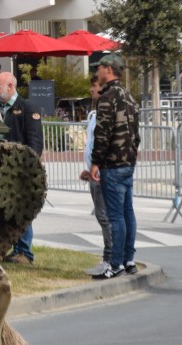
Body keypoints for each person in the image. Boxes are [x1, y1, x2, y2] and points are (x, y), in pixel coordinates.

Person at [90, 54, 140, 280]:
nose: (97, 72)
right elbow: (136, 134)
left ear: (108, 69)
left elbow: (102, 134)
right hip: (128, 163)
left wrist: (95, 162)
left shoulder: (107, 98)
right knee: (128, 212)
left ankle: (116, 263)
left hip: (112, 164)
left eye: (99, 68)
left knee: (115, 216)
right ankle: (129, 260)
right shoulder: (129, 97)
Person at [0, 72, 43, 264]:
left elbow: (35, 142)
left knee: (21, 209)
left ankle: (24, 252)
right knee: (3, 210)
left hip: (18, 168)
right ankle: (3, 247)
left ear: (10, 87)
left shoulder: (28, 108)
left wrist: (29, 168)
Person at [79, 75, 111, 276]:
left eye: (95, 87)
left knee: (105, 216)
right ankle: (111, 258)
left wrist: (97, 167)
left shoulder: (106, 114)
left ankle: (111, 259)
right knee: (102, 216)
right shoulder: (95, 114)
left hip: (102, 173)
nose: (92, 90)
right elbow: (92, 144)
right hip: (94, 172)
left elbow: (105, 144)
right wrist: (89, 168)